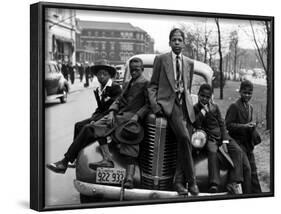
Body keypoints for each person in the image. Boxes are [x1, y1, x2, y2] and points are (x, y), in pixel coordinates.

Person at [47, 57, 149, 189]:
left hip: (129, 121)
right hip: (118, 117)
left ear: (142, 69)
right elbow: (119, 101)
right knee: (90, 128)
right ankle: (71, 161)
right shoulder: (129, 83)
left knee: (91, 129)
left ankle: (65, 162)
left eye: (137, 69)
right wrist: (112, 112)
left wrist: (137, 116)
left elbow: (148, 105)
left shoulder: (146, 83)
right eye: (132, 69)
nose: (134, 71)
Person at [147, 28, 199, 195]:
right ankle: (192, 182)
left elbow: (188, 87)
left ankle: (178, 181)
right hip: (170, 105)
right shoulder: (161, 59)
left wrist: (189, 105)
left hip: (186, 107)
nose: (177, 42)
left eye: (180, 40)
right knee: (184, 138)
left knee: (185, 143)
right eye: (174, 39)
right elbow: (152, 86)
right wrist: (156, 107)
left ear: (184, 43)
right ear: (169, 42)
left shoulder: (189, 63)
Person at [193, 84, 252, 194]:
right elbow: (196, 123)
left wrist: (225, 139)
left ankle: (233, 181)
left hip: (222, 136)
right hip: (209, 138)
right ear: (198, 95)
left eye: (207, 97)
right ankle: (214, 183)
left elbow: (222, 123)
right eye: (202, 96)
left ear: (210, 97)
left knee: (237, 151)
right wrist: (203, 112)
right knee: (212, 151)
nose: (204, 99)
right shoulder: (195, 108)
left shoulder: (215, 107)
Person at [225, 80, 262, 193]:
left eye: (249, 93)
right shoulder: (234, 106)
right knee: (246, 168)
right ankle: (246, 194)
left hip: (247, 144)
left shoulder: (250, 108)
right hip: (237, 143)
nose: (247, 95)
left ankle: (257, 195)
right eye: (245, 92)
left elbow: (249, 124)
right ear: (240, 92)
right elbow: (228, 125)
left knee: (254, 171)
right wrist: (244, 126)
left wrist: (252, 126)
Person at [73, 59, 122, 141]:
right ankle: (78, 150)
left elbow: (115, 106)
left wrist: (95, 119)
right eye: (99, 74)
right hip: (99, 116)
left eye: (104, 74)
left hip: (108, 119)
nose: (102, 76)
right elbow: (100, 107)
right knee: (78, 125)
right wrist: (93, 116)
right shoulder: (99, 89)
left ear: (109, 75)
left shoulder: (115, 87)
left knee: (86, 128)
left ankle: (77, 150)